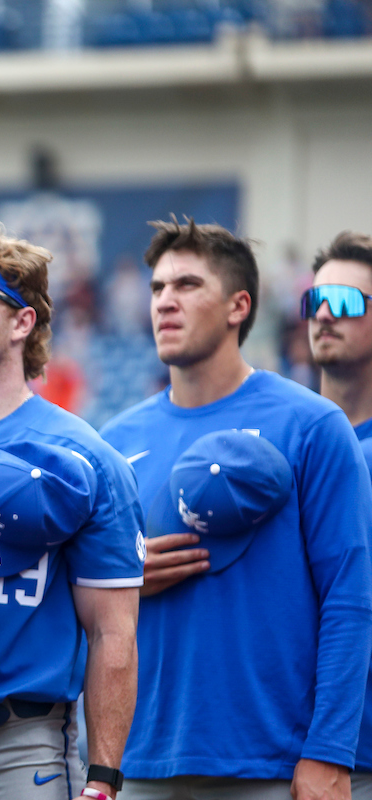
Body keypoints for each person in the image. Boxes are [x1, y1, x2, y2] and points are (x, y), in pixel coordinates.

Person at [99, 219, 372, 800]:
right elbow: (84, 607)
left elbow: (349, 600)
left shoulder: (312, 426)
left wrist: (329, 751)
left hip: (270, 764)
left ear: (238, 306)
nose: (166, 301)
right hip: (140, 761)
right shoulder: (115, 441)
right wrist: (120, 581)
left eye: (188, 285)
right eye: (157, 288)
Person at [0, 223, 143, 800]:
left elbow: (111, 633)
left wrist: (103, 776)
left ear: (23, 322)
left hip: (18, 747)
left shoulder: (88, 457)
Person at [303, 230, 372, 799]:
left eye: (347, 303)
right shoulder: (281, 446)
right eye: (315, 301)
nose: (325, 314)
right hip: (281, 749)